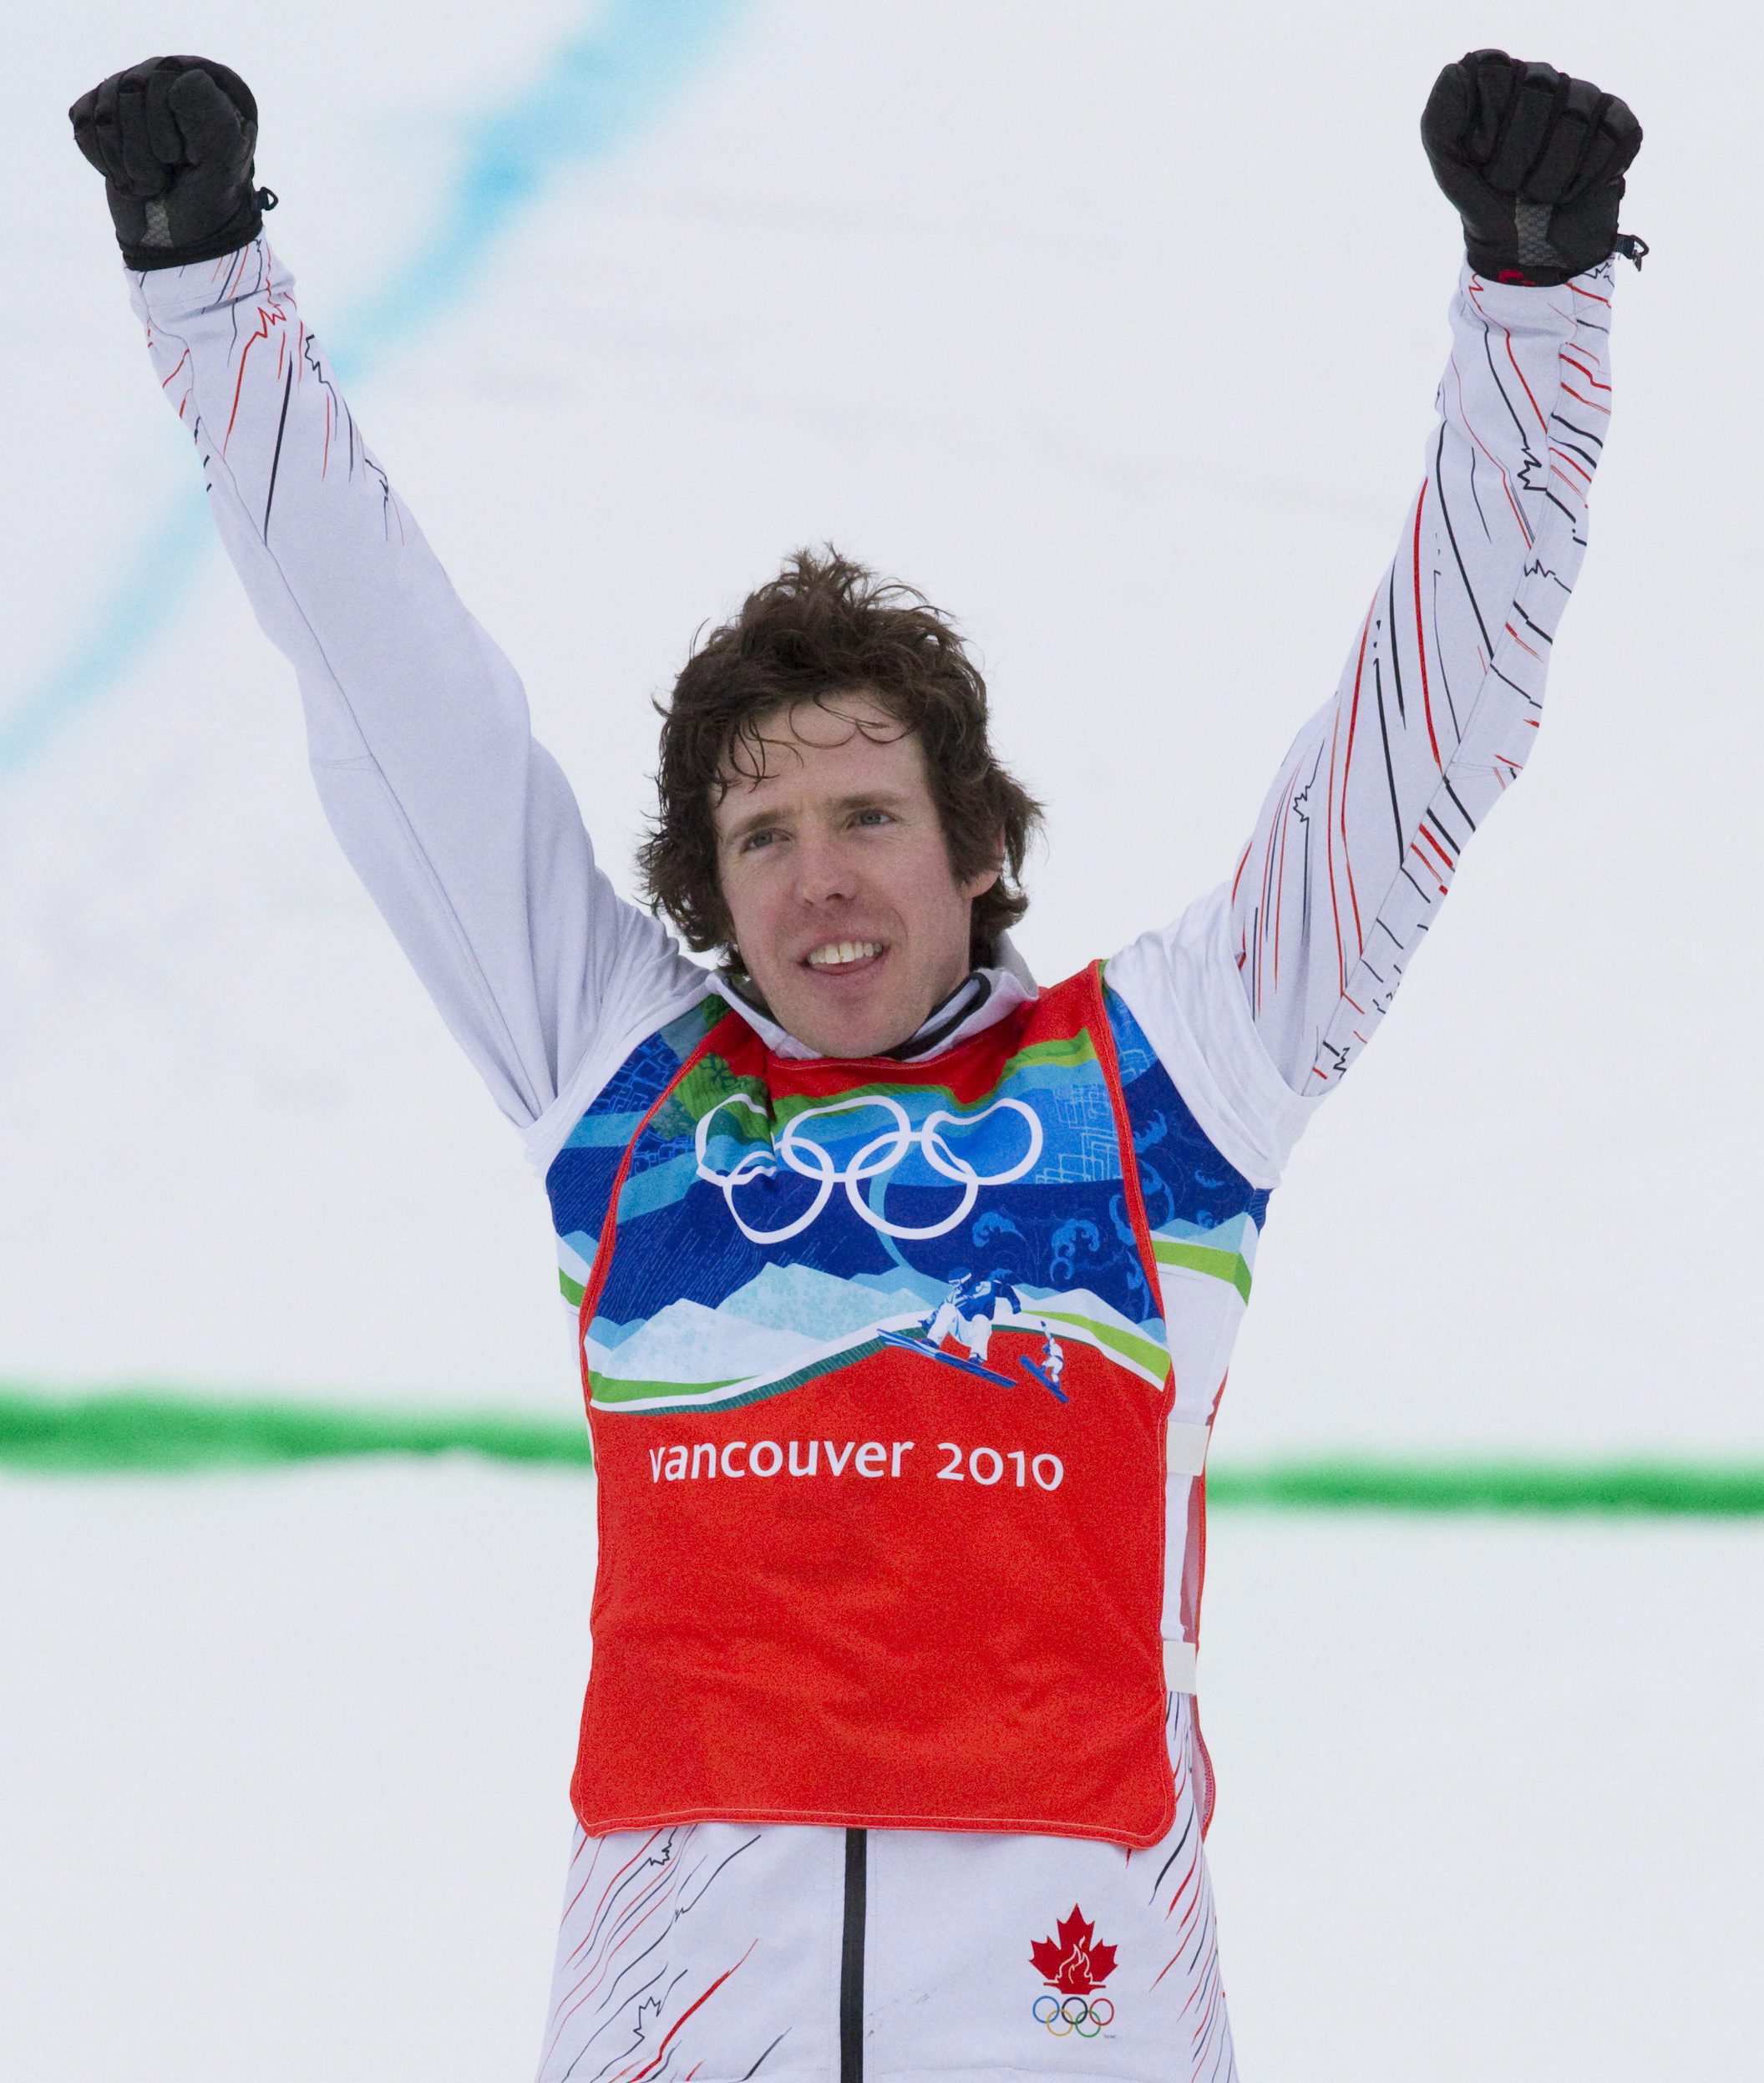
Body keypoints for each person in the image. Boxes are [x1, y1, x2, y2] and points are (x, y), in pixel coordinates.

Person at [70, 46, 1643, 2081]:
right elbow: (394, 694)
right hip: (675, 2007)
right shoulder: (624, 1086)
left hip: (1076, 1998)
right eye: (763, 836)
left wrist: (1536, 308)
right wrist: (208, 287)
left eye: (870, 817)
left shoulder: (1169, 1082)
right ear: (709, 891)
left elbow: (1428, 745)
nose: (818, 880)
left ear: (977, 843)